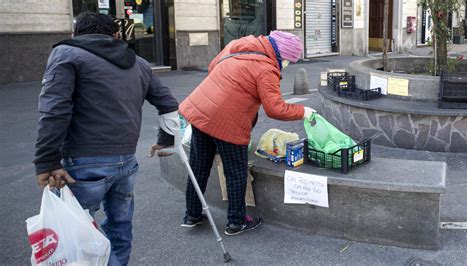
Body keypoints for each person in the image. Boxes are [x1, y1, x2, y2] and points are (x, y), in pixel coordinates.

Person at [33, 12, 178, 265]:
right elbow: (168, 103)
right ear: (114, 35)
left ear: (75, 34)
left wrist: (46, 160)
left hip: (84, 161)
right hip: (126, 163)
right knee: (120, 228)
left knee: (75, 232)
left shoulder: (67, 53)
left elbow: (54, 110)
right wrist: (166, 139)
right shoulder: (139, 63)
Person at [179, 31, 316, 236]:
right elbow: (275, 109)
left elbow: (212, 67)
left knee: (199, 167)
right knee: (236, 172)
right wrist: (304, 111)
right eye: (288, 60)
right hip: (228, 122)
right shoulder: (266, 68)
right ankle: (236, 221)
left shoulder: (239, 45)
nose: (287, 64)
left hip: (201, 110)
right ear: (281, 54)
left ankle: (192, 215)